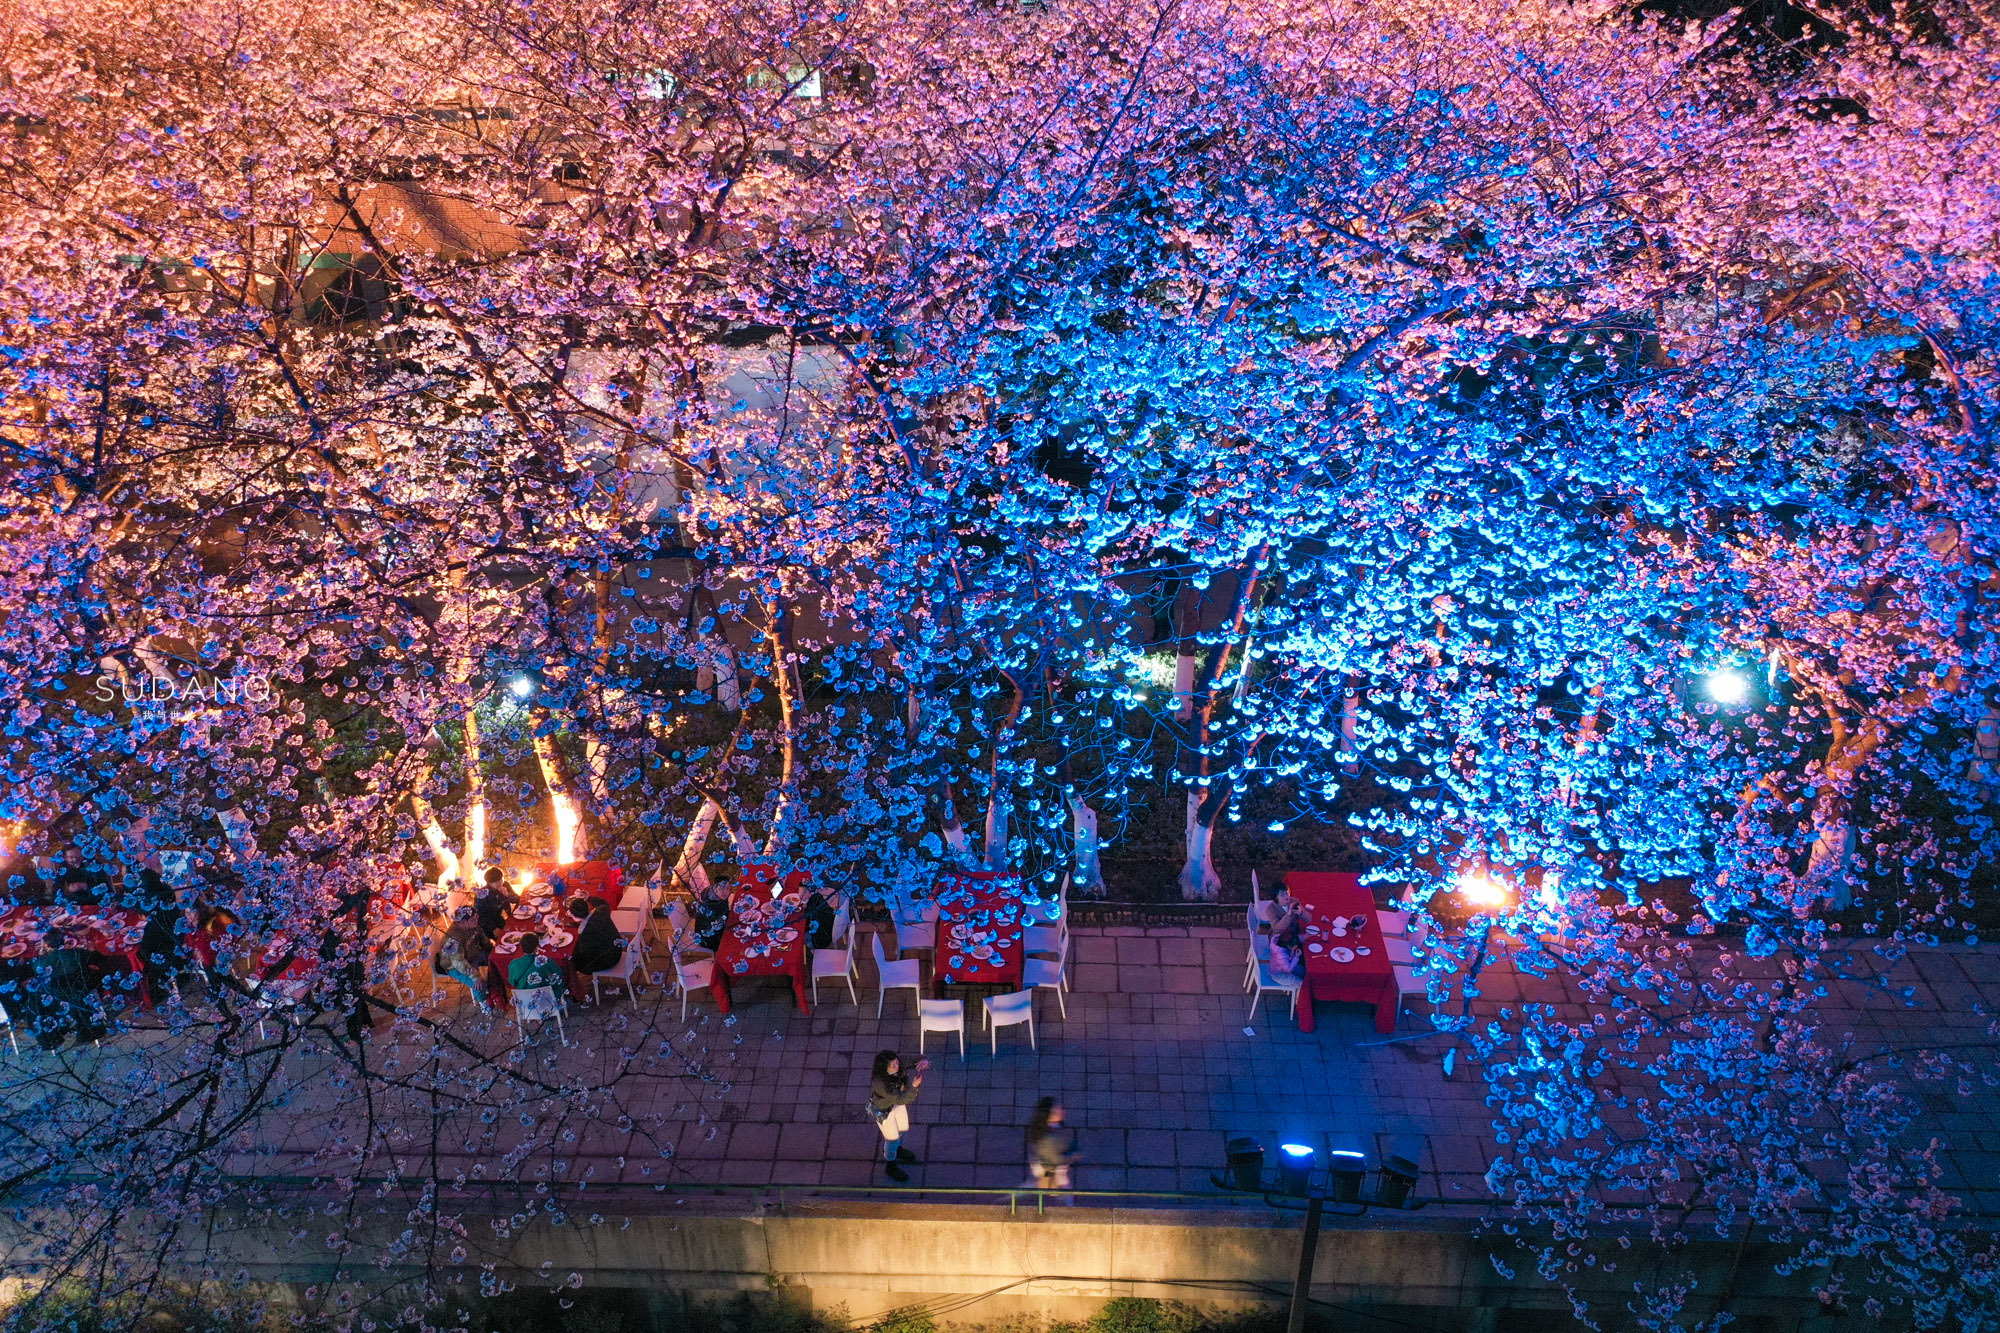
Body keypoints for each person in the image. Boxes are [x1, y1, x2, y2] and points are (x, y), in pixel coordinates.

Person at [33, 928, 108, 1049]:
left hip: (58, 994)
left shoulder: (41, 962)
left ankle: (80, 1025)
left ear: (46, 945)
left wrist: (42, 955)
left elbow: (36, 969)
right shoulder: (76, 953)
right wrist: (92, 949)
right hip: (81, 987)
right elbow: (98, 958)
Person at [867, 1049, 927, 1182]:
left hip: (895, 1104)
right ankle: (891, 1165)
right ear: (885, 1068)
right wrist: (914, 1086)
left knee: (904, 1129)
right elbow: (901, 1099)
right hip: (884, 1111)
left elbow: (913, 1059)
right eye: (893, 1065)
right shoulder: (881, 1084)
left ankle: (898, 1151)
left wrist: (923, 1060)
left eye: (897, 1062)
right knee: (892, 1139)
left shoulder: (897, 1064)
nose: (897, 1065)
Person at [434, 905, 493, 1012]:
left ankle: (497, 988)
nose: (476, 920)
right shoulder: (453, 939)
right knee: (479, 983)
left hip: (472, 954)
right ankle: (484, 1004)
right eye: (472, 919)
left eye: (476, 917)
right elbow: (459, 962)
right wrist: (475, 976)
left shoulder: (473, 926)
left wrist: (492, 951)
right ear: (461, 922)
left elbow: (484, 940)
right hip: (456, 966)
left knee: (495, 960)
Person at [1025, 1097, 1079, 1195]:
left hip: (1055, 1183)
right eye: (1057, 1109)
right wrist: (1072, 1155)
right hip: (1051, 1184)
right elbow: (1052, 1161)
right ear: (1049, 1113)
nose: (1062, 1111)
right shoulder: (1047, 1135)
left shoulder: (1053, 1131)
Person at [566, 895, 623, 982]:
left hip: (609, 959)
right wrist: (588, 897)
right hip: (617, 947)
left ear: (574, 916)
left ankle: (571, 982)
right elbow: (603, 903)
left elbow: (584, 952)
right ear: (588, 907)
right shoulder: (601, 912)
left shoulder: (585, 933)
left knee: (573, 961)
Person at [473, 867, 519, 941]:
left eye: (501, 879)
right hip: (489, 923)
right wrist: (493, 929)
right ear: (490, 883)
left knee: (515, 933)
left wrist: (507, 894)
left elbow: (517, 899)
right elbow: (481, 916)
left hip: (502, 917)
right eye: (497, 882)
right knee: (503, 939)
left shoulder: (505, 885)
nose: (500, 882)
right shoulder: (482, 894)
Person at [688, 881, 729, 950]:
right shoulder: (713, 905)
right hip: (709, 940)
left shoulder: (710, 895)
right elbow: (719, 924)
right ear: (715, 888)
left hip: (710, 933)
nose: (726, 892)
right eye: (722, 889)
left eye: (728, 888)